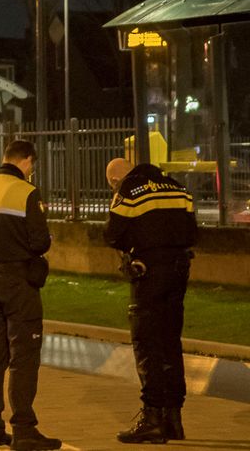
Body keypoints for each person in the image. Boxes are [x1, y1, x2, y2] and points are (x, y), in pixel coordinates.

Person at [0, 140, 60, 451]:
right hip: (18, 281)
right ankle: (24, 429)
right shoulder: (26, 192)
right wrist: (48, 238)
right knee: (24, 356)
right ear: (26, 160)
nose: (32, 169)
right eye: (32, 164)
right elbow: (38, 242)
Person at [104, 158, 195, 444]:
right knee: (170, 341)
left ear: (117, 179)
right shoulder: (178, 187)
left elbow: (112, 234)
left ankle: (152, 417)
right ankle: (174, 418)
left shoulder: (129, 191)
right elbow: (193, 232)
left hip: (148, 272)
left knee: (146, 342)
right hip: (179, 271)